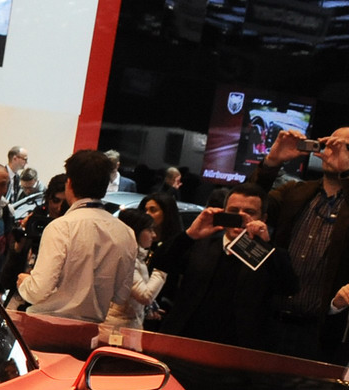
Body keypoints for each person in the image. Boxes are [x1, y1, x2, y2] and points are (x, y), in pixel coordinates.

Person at [158, 184, 297, 352]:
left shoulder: (269, 255)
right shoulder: (200, 244)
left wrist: (264, 245)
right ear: (224, 213)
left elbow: (288, 287)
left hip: (239, 350)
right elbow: (161, 262)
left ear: (263, 218)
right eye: (233, 211)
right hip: (186, 341)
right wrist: (190, 235)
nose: (241, 217)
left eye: (250, 212)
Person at [253, 128, 349, 363]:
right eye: (331, 143)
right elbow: (250, 204)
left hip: (320, 333)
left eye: (346, 147)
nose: (335, 150)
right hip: (268, 322)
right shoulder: (295, 192)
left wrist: (346, 172)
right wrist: (271, 162)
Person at [14, 149, 137, 322]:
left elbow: (38, 291)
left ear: (69, 183)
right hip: (92, 329)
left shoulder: (61, 227)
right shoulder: (126, 232)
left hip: (47, 325)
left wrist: (25, 283)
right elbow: (121, 295)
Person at [102, 208, 167, 332]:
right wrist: (161, 271)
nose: (154, 235)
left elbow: (133, 300)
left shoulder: (136, 258)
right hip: (116, 330)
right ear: (136, 230)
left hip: (126, 327)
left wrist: (146, 311)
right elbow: (145, 296)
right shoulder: (128, 260)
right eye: (149, 230)